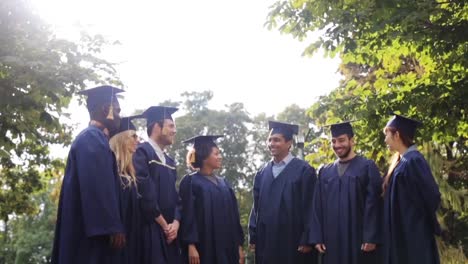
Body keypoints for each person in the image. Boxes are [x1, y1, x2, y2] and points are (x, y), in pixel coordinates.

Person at [52, 85, 126, 264]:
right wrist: (112, 226)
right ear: (105, 109)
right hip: (89, 233)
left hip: (91, 228)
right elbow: (97, 187)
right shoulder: (91, 138)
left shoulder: (95, 138)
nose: (119, 116)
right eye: (117, 110)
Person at [311, 121, 383, 264]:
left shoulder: (367, 167)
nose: (337, 145)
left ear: (352, 140)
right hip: (331, 242)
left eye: (342, 140)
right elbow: (316, 207)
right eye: (333, 141)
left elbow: (374, 205)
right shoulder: (325, 172)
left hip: (358, 241)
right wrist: (317, 237)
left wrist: (371, 236)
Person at [248, 121, 317, 264]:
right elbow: (256, 207)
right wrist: (253, 235)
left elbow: (311, 207)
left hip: (294, 241)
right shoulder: (262, 173)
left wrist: (308, 238)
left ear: (289, 143)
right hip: (267, 240)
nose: (272, 143)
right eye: (270, 140)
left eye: (277, 140)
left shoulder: (304, 171)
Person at [382, 113, 441, 264]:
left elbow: (432, 196)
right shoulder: (401, 161)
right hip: (402, 233)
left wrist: (415, 221)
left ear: (397, 134)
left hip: (413, 235)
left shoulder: (414, 160)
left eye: (387, 134)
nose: (385, 139)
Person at [179, 135, 245, 264]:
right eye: (216, 154)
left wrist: (239, 246)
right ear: (204, 156)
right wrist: (191, 246)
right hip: (203, 248)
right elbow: (187, 216)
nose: (220, 157)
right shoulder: (190, 182)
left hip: (227, 247)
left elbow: (234, 217)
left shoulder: (224, 183)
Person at [134, 106, 181, 263]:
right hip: (150, 230)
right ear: (156, 127)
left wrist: (175, 223)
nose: (174, 131)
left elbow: (176, 198)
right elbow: (144, 191)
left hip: (170, 235)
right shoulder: (141, 152)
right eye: (171, 126)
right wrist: (164, 225)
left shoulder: (170, 162)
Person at [109, 115, 143, 263]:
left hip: (132, 241)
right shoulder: (110, 170)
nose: (138, 140)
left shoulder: (130, 173)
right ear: (121, 139)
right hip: (115, 242)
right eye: (133, 136)